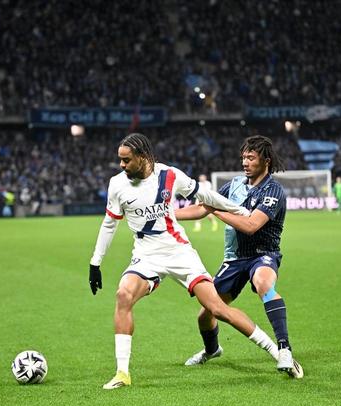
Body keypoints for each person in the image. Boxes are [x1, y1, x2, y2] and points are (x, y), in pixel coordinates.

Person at [89, 133, 281, 390]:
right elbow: (109, 223)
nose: (121, 165)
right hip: (146, 255)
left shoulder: (169, 175)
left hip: (179, 252)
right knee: (123, 295)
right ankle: (122, 373)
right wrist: (95, 263)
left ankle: (277, 352)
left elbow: (207, 196)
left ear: (143, 157)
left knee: (217, 309)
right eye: (120, 160)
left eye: (126, 160)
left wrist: (241, 211)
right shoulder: (117, 184)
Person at [175, 135, 303, 378]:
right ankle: (212, 350)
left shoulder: (273, 190)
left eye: (251, 158)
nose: (245, 162)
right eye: (243, 157)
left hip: (263, 254)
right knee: (206, 314)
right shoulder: (233, 186)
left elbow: (251, 225)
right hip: (234, 258)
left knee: (264, 284)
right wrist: (168, 215)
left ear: (265, 160)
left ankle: (284, 349)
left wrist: (217, 211)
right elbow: (202, 208)